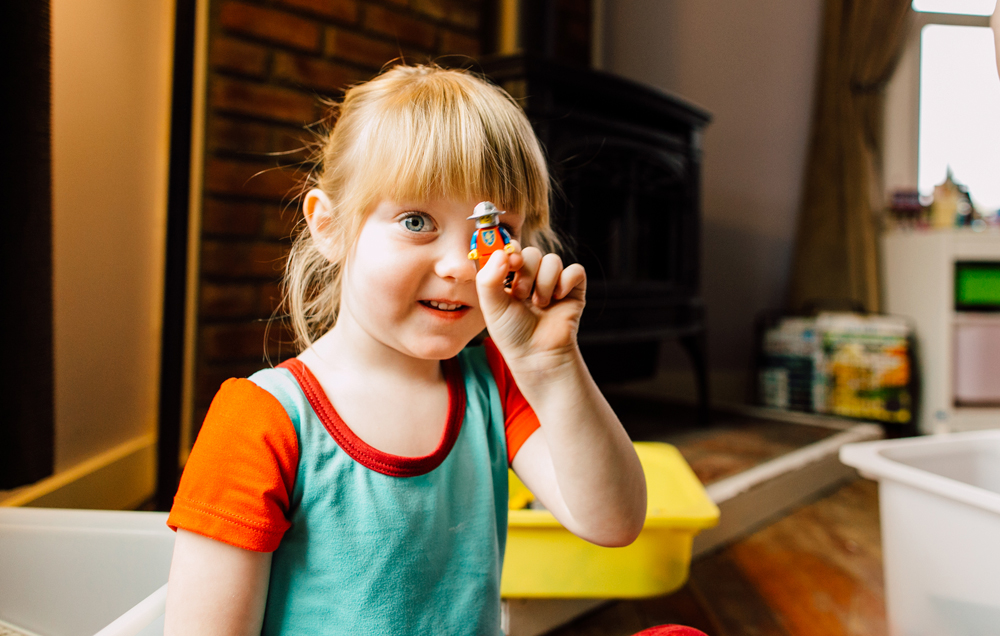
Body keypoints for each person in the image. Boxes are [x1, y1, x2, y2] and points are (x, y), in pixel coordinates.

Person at [163, 64, 648, 635]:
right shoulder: (261, 419)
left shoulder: (494, 382)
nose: (457, 267)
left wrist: (552, 366)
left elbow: (614, 521)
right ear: (330, 226)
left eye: (489, 232)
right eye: (416, 220)